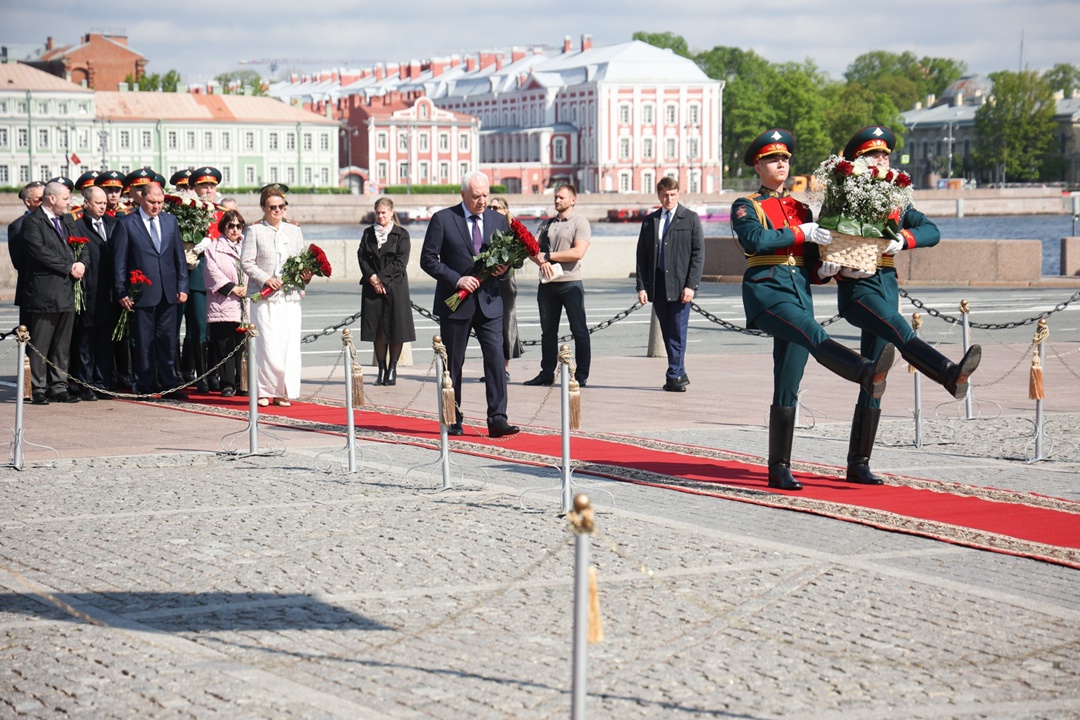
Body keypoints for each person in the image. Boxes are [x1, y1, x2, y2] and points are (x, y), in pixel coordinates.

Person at [731, 128, 896, 491]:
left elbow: (809, 261)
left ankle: (779, 467)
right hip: (767, 293)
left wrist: (823, 270)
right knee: (814, 334)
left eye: (785, 159)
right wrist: (802, 233)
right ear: (758, 166)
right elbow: (755, 240)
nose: (781, 164)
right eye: (773, 159)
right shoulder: (747, 206)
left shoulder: (800, 208)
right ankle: (865, 372)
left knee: (789, 382)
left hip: (799, 294)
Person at [831, 126, 983, 485]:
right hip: (858, 289)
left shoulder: (898, 199)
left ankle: (858, 462)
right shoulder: (844, 195)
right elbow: (829, 236)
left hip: (886, 285)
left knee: (876, 373)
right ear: (857, 162)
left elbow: (932, 230)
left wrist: (903, 238)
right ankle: (947, 373)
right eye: (873, 156)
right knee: (899, 329)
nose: (881, 161)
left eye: (884, 156)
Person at [420, 171, 519, 438]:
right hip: (456, 304)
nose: (483, 200)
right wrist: (457, 279)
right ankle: (453, 417)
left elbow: (508, 263)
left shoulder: (499, 220)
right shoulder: (443, 219)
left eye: (486, 194)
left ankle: (498, 418)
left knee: (496, 360)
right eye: (476, 196)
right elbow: (428, 259)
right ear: (463, 195)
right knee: (454, 363)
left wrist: (503, 270)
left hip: (489, 302)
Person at [112, 182, 189, 398]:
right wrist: (121, 291)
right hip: (142, 292)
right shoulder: (127, 224)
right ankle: (145, 385)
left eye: (160, 202)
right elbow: (119, 262)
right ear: (141, 199)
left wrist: (183, 285)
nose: (156, 206)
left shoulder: (170, 221)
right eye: (152, 202)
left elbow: (178, 257)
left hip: (168, 291)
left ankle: (169, 384)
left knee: (168, 341)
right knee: (144, 342)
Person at [241, 184, 311, 407]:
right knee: (267, 345)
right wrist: (265, 279)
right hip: (264, 297)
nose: (277, 210)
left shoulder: (294, 230)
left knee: (288, 346)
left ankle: (283, 391)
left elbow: (302, 260)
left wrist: (306, 276)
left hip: (289, 296)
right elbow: (246, 262)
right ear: (264, 208)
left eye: (281, 206)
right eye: (272, 207)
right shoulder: (254, 230)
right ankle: (264, 390)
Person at [20, 181, 87, 404]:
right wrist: (68, 265)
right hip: (44, 292)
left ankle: (58, 386)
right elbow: (40, 252)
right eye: (66, 199)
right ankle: (38, 387)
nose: (70, 203)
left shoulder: (68, 220)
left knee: (62, 344)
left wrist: (82, 263)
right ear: (52, 199)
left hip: (67, 291)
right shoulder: (32, 222)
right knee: (41, 342)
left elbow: (82, 245)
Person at [635, 177, 705, 392]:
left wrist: (691, 286)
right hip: (658, 284)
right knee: (667, 331)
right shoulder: (650, 221)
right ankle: (678, 372)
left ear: (678, 193)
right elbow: (642, 257)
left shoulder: (690, 219)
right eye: (665, 195)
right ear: (658, 195)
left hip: (681, 285)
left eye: (673, 194)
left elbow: (698, 254)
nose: (669, 199)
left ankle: (674, 374)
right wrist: (641, 287)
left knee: (677, 329)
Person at [523, 184, 592, 387]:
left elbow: (578, 252)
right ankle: (546, 372)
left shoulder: (580, 223)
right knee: (548, 332)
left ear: (573, 200)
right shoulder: (546, 224)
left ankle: (581, 374)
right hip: (547, 285)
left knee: (579, 330)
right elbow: (532, 248)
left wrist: (549, 256)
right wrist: (542, 262)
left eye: (561, 197)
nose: (557, 201)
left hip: (570, 283)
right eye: (555, 197)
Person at [357, 196, 416, 385]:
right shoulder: (368, 233)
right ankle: (381, 370)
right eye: (378, 213)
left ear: (391, 212)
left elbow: (401, 261)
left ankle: (392, 370)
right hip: (372, 287)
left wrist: (381, 277)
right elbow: (362, 257)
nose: (380, 216)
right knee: (378, 330)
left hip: (395, 287)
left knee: (396, 329)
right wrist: (373, 278)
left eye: (384, 212)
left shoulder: (401, 234)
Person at [70, 185, 118, 400]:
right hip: (88, 292)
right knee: (86, 341)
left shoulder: (113, 224)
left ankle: (102, 382)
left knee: (105, 342)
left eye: (104, 203)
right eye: (98, 203)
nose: (102, 206)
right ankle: (86, 384)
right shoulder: (76, 226)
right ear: (86, 204)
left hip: (108, 293)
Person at [181, 166, 224, 392]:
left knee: (216, 330)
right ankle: (200, 376)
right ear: (194, 188)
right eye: (203, 186)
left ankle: (215, 373)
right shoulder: (186, 211)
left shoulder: (221, 214)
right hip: (196, 276)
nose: (208, 190)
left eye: (211, 186)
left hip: (219, 282)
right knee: (197, 328)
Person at [204, 209, 249, 397]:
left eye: (239, 226)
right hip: (222, 303)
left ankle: (243, 383)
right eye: (231, 225)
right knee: (224, 347)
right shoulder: (213, 248)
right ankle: (227, 383)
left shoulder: (248, 246)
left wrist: (248, 287)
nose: (235, 229)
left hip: (244, 305)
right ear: (224, 226)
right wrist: (232, 288)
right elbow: (211, 273)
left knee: (243, 347)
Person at [486, 196, 523, 380]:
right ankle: (493, 368)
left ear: (505, 210)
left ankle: (505, 369)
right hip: (487, 281)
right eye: (490, 207)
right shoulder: (485, 228)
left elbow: (519, 261)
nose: (492, 210)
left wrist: (508, 265)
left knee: (506, 323)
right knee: (489, 325)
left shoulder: (512, 230)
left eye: (496, 207)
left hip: (506, 283)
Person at [7, 181, 46, 327]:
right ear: (28, 202)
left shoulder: (56, 221)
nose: (44, 202)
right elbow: (20, 262)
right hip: (32, 292)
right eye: (39, 199)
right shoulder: (18, 226)